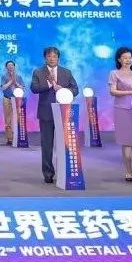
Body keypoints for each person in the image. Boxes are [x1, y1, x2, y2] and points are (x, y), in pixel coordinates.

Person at [30, 46, 79, 184]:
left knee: (66, 144)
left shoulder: (66, 72)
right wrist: (49, 83)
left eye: (54, 56)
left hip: (64, 113)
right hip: (46, 113)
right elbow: (34, 88)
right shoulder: (38, 72)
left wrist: (63, 90)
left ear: (58, 58)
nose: (52, 58)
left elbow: (75, 89)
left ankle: (66, 171)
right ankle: (48, 173)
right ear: (45, 57)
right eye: (49, 56)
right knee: (47, 145)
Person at [109, 47, 132, 182]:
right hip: (121, 109)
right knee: (126, 142)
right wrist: (130, 92)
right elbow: (112, 91)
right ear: (119, 59)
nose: (128, 60)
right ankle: (128, 171)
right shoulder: (114, 73)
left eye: (130, 57)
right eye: (125, 58)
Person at [0, 60, 24, 146]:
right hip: (7, 98)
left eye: (12, 65)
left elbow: (22, 88)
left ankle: (18, 136)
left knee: (18, 118)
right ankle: (9, 138)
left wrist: (15, 82)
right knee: (8, 119)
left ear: (14, 67)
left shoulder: (19, 76)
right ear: (6, 67)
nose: (10, 67)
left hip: (17, 99)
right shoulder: (4, 76)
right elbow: (3, 88)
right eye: (8, 65)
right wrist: (11, 81)